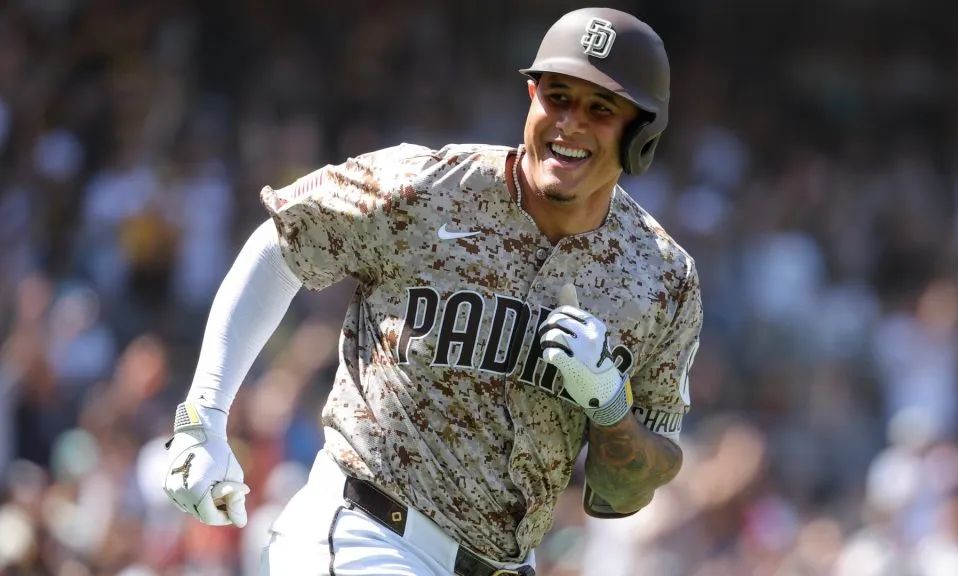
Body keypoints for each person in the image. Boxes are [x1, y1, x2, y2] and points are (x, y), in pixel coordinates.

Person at [162, 7, 703, 576]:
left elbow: (626, 491)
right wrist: (202, 416)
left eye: (600, 109)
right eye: (558, 97)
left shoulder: (663, 279)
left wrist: (610, 406)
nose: (570, 124)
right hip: (368, 532)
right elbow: (279, 248)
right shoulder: (430, 188)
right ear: (531, 96)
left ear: (642, 130)